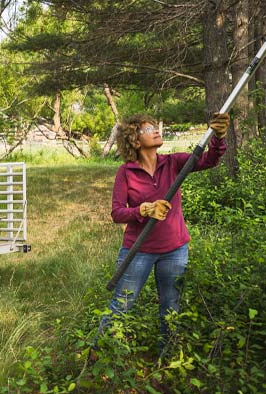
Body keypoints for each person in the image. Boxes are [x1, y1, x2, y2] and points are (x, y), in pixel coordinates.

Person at [97, 112, 229, 355]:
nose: (156, 131)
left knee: (170, 307)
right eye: (148, 130)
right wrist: (143, 210)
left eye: (155, 127)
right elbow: (117, 213)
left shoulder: (173, 162)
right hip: (138, 250)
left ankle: (167, 357)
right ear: (135, 140)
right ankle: (98, 355)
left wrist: (218, 137)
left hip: (175, 250)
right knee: (121, 305)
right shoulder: (126, 172)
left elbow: (209, 160)